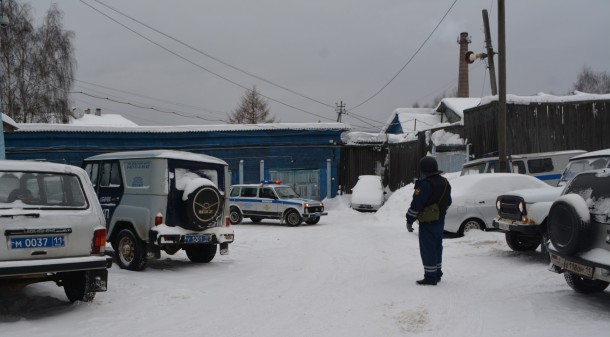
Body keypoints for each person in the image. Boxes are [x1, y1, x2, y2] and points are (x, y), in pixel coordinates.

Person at [406, 156, 452, 286]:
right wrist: (440, 212)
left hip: (428, 222)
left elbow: (416, 205)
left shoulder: (425, 184)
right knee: (437, 247)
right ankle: (437, 273)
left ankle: (430, 277)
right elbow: (448, 202)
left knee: (428, 249)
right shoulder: (445, 182)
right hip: (440, 220)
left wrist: (409, 220)